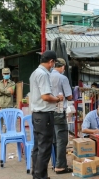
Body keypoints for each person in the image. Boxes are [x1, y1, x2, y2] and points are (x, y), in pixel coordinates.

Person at [29, 50, 64, 179]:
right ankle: (40, 176)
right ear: (51, 62)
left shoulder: (34, 73)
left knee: (38, 147)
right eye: (53, 63)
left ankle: (37, 175)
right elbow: (45, 96)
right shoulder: (43, 74)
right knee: (44, 148)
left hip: (37, 115)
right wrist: (58, 99)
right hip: (44, 115)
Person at [50, 58, 73, 174]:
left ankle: (54, 163)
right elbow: (69, 96)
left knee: (53, 139)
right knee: (61, 139)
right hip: (59, 111)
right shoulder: (62, 78)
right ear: (63, 67)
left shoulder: (47, 76)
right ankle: (60, 166)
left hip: (48, 111)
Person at [0, 68, 15, 144]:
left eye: (7, 74)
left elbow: (10, 92)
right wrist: (5, 91)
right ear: (2, 74)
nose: (6, 75)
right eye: (5, 74)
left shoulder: (12, 83)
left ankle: (7, 137)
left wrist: (0, 90)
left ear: (9, 74)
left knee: (8, 122)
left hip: (8, 105)